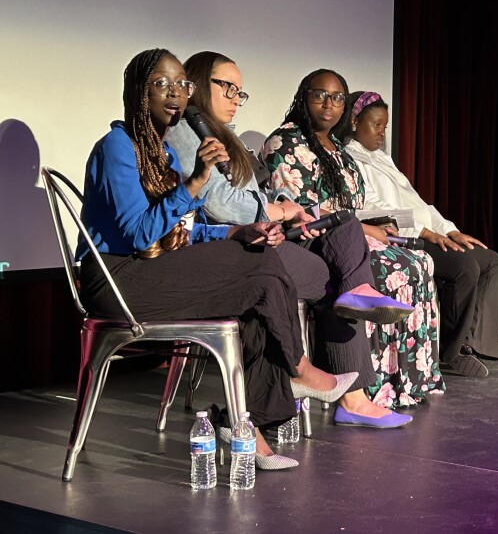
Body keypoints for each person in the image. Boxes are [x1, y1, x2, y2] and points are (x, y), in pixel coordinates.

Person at [76, 48, 360, 469]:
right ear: (138, 92)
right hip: (117, 281)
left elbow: (181, 232)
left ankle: (249, 426)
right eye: (161, 84)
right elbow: (139, 235)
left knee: (257, 266)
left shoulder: (162, 152)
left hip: (150, 271)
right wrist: (193, 184)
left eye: (181, 85)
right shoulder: (117, 147)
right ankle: (295, 368)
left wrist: (237, 231)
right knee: (260, 269)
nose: (175, 94)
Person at [165, 52, 412, 428]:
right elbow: (216, 204)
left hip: (262, 235)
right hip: (230, 245)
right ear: (198, 84)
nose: (235, 97)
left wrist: (285, 206)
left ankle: (356, 299)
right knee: (335, 284)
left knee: (344, 224)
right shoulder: (187, 131)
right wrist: (278, 212)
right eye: (227, 87)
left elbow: (250, 196)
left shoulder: (219, 132)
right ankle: (353, 398)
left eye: (239, 91)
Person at [262, 69, 446, 408]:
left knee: (420, 261)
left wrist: (372, 228)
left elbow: (354, 207)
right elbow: (298, 210)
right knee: (389, 268)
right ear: (305, 97)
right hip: (310, 239)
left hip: (347, 234)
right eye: (320, 95)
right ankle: (372, 386)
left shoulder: (340, 150)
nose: (329, 104)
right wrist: (363, 231)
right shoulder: (285, 142)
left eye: (337, 98)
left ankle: (407, 379)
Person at [338, 91, 498, 378]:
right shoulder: (349, 160)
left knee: (491, 261)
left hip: (427, 232)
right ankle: (450, 353)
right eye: (375, 125)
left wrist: (450, 230)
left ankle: (471, 345)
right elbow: (373, 209)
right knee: (465, 267)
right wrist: (425, 232)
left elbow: (419, 203)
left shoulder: (382, 159)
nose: (381, 133)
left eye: (385, 127)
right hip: (401, 237)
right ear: (354, 121)